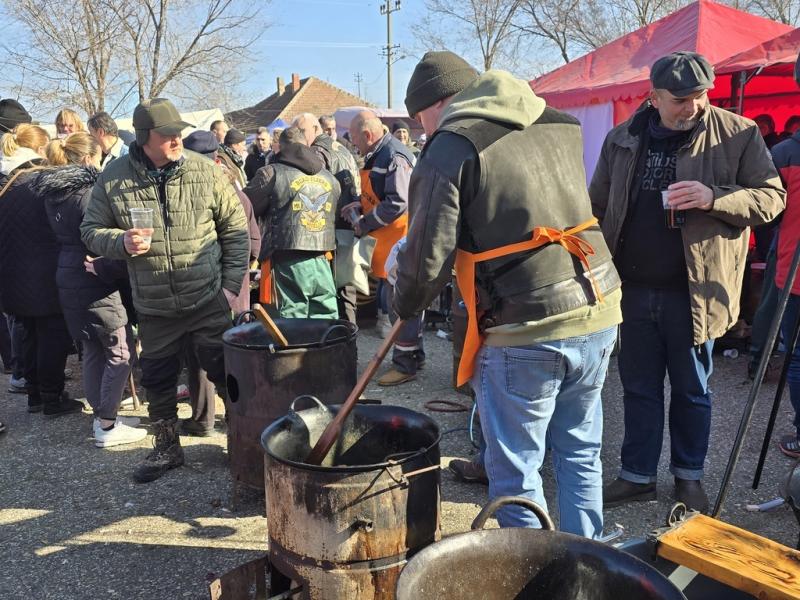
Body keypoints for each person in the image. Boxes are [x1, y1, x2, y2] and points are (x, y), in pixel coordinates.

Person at [395, 50, 622, 538]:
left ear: (437, 103)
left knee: (517, 471)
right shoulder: (557, 121)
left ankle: (535, 580)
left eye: (420, 117)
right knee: (581, 452)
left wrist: (403, 303)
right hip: (599, 305)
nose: (421, 128)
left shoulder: (451, 145)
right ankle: (587, 567)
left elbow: (426, 258)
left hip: (524, 324)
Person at [591, 51, 785, 513]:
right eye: (680, 99)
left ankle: (688, 477)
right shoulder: (621, 139)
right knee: (637, 387)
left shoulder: (738, 134)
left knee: (692, 390)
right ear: (653, 97)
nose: (693, 106)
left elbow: (771, 198)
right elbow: (596, 208)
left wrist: (713, 196)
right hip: (632, 291)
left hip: (695, 292)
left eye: (701, 94)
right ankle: (637, 476)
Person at [81, 98, 249, 482]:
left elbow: (236, 233)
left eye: (178, 133)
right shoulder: (115, 177)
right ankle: (166, 450)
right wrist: (120, 241)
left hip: (208, 298)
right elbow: (89, 231)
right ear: (144, 138)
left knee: (227, 374)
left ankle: (242, 441)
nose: (176, 140)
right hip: (154, 305)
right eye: (167, 134)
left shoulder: (204, 171)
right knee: (157, 379)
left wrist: (229, 288)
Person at [41, 132, 145, 447]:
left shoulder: (53, 194)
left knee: (93, 349)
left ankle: (102, 415)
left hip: (68, 272)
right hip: (92, 275)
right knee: (120, 349)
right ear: (89, 158)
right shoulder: (88, 193)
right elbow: (99, 238)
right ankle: (107, 424)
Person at [0, 125, 84, 417]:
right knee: (53, 334)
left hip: (13, 273)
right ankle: (52, 396)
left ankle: (35, 393)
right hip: (44, 272)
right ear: (40, 150)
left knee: (29, 333)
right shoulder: (42, 183)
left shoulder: (9, 184)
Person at [181, 129, 261, 437]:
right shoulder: (236, 193)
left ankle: (205, 418)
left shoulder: (189, 193)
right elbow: (254, 243)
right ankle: (236, 421)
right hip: (232, 289)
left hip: (209, 288)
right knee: (228, 354)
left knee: (201, 353)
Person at [346, 110, 423, 386]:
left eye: (355, 139)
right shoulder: (379, 154)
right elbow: (379, 194)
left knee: (399, 307)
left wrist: (365, 222)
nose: (353, 144)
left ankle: (405, 365)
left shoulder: (393, 156)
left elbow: (398, 202)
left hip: (399, 243)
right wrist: (359, 203)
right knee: (397, 305)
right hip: (387, 245)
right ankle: (414, 357)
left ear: (367, 135)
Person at [244, 126, 340, 319]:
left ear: (279, 147)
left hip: (284, 259)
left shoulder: (271, 173)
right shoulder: (330, 178)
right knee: (325, 324)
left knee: (287, 325)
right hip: (323, 260)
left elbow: (245, 207)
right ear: (307, 145)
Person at [294, 112, 361, 324]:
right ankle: (349, 333)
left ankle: (339, 337)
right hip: (349, 224)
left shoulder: (316, 152)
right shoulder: (341, 147)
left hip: (331, 228)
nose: (299, 136)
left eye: (302, 131)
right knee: (347, 286)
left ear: (315, 128)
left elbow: (313, 192)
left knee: (330, 287)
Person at [770, 56, 800, 459]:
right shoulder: (783, 153)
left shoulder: (782, 153)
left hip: (794, 273)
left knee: (797, 357)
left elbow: (767, 214)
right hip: (793, 271)